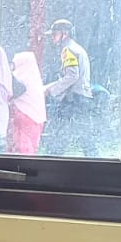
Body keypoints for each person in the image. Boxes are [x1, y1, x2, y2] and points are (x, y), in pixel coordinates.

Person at [43, 19, 97, 155]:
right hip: (81, 98)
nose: (52, 37)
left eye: (54, 34)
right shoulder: (77, 48)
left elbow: (72, 76)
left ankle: (53, 159)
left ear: (64, 34)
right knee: (84, 136)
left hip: (74, 100)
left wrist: (52, 90)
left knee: (61, 134)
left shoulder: (67, 50)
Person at [9, 50, 47, 155]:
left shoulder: (22, 77)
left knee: (23, 148)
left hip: (25, 116)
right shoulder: (34, 77)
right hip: (37, 118)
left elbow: (10, 92)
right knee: (32, 146)